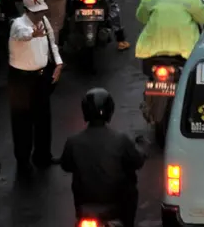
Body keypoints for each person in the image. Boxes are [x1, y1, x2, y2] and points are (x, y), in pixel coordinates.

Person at [60, 88, 145, 227]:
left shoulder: (73, 141)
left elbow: (66, 165)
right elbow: (137, 162)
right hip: (116, 208)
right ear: (110, 111)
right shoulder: (121, 140)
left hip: (84, 207)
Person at [7, 0, 63, 175]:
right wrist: (33, 33)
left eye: (41, 11)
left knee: (43, 119)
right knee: (22, 122)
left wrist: (58, 63)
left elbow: (52, 43)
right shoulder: (18, 25)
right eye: (35, 12)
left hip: (41, 76)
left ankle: (43, 156)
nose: (39, 15)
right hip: (21, 79)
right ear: (26, 10)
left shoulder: (44, 22)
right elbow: (22, 34)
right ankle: (23, 162)